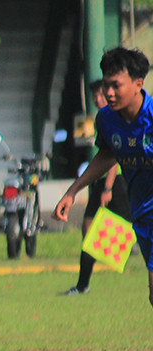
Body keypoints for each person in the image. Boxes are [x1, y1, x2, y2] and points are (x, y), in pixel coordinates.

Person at [54, 46, 153, 312]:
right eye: (106, 85)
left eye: (115, 85)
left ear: (138, 84)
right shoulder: (106, 120)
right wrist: (73, 190)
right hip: (142, 212)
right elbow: (107, 154)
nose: (108, 93)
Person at [61, 79, 132, 296]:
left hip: (114, 183)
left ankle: (127, 256)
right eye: (95, 95)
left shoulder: (117, 118)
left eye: (100, 94)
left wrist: (108, 188)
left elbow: (113, 157)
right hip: (98, 181)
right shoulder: (99, 119)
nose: (97, 98)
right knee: (88, 229)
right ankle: (83, 285)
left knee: (128, 228)